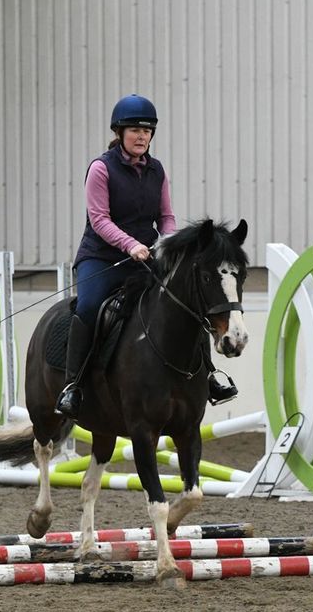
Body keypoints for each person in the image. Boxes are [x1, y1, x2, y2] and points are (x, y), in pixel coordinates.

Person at [55, 94, 238, 418]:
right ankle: (73, 386)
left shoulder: (157, 170)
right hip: (101, 258)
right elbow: (100, 220)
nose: (142, 136)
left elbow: (166, 215)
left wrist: (164, 243)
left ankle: (210, 375)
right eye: (135, 130)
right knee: (88, 306)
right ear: (120, 133)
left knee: (185, 300)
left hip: (148, 255)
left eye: (147, 131)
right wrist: (131, 245)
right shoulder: (101, 169)